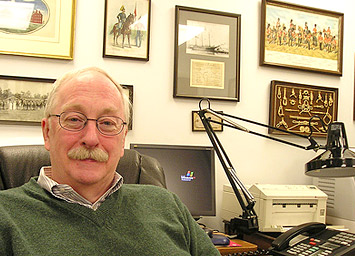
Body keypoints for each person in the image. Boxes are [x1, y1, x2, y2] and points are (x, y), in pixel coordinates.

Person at [0, 67, 220, 255]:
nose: (91, 139)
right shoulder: (6, 215)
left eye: (107, 123)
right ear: (47, 133)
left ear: (123, 137)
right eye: (74, 119)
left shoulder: (167, 205)